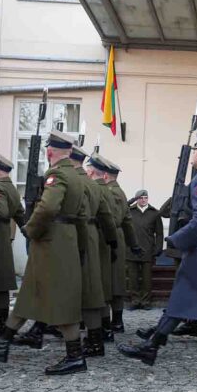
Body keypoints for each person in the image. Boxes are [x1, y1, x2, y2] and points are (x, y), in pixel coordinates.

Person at [117, 133, 197, 376]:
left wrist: (176, 239)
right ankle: (153, 346)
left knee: (196, 297)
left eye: (195, 150)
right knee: (190, 297)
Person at [0, 130, 88, 375]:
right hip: (65, 240)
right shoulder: (78, 176)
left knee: (54, 296)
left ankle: (75, 356)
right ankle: (2, 343)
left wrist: (30, 230)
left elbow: (47, 208)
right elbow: (82, 215)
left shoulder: (56, 174)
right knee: (32, 292)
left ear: (49, 152)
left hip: (50, 241)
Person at [69, 147, 118, 358]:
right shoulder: (95, 186)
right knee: (92, 291)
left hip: (75, 238)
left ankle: (81, 344)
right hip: (93, 239)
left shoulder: (74, 183)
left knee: (79, 292)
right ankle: (95, 339)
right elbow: (107, 217)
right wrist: (112, 241)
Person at [103, 160, 142, 334]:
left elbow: (115, 219)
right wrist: (133, 244)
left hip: (108, 238)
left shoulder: (110, 193)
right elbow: (128, 222)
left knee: (107, 283)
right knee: (115, 282)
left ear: (105, 175)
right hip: (118, 238)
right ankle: (116, 322)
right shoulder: (121, 192)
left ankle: (108, 324)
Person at [0, 155, 25, 334]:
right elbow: (20, 214)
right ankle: (1, 322)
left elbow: (1, 211)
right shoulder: (11, 188)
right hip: (4, 241)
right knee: (1, 284)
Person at [126, 190, 163, 310]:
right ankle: (135, 300)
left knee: (147, 278)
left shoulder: (155, 213)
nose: (143, 200)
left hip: (148, 249)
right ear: (136, 199)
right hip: (132, 249)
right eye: (141, 197)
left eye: (145, 197)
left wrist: (158, 248)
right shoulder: (129, 211)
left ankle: (146, 301)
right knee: (133, 277)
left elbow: (159, 233)